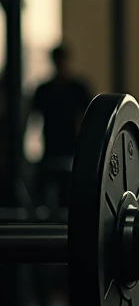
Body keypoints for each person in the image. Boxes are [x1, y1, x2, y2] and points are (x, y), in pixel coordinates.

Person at [30, 45, 92, 207]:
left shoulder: (74, 89)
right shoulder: (46, 90)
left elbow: (86, 119)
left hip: (68, 149)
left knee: (64, 196)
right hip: (53, 150)